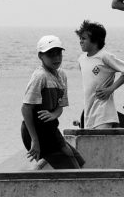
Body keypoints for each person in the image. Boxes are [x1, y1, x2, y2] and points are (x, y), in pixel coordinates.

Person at [21, 35, 82, 168]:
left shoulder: (62, 75)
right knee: (73, 168)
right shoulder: (40, 76)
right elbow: (26, 109)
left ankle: (36, 169)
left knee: (78, 161)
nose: (56, 58)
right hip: (37, 131)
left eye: (58, 53)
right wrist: (34, 140)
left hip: (51, 129)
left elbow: (60, 106)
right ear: (40, 56)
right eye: (50, 54)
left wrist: (54, 114)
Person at [75, 21, 124, 129]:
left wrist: (110, 89)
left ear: (95, 40)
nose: (80, 41)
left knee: (100, 143)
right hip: (89, 113)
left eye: (84, 38)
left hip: (104, 113)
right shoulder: (81, 59)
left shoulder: (104, 56)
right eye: (80, 38)